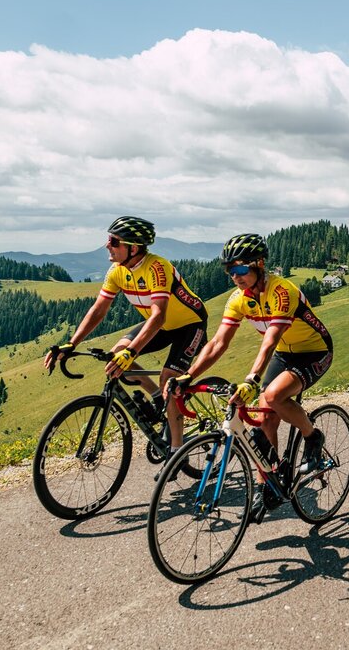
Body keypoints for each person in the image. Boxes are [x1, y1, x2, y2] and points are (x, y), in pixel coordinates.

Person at [168, 232, 333, 520]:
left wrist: (252, 379)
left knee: (270, 395)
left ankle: (312, 436)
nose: (236, 276)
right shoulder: (238, 299)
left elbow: (269, 339)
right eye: (230, 270)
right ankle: (265, 484)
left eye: (242, 269)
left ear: (259, 265)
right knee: (266, 417)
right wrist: (188, 375)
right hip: (285, 353)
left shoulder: (282, 291)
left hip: (314, 351)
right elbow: (219, 342)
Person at [43, 216, 208, 461]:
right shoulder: (117, 271)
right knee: (116, 353)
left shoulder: (157, 268)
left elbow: (159, 315)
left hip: (189, 325)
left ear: (133, 247)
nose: (107, 245)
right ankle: (156, 399)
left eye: (113, 241)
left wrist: (132, 351)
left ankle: (176, 453)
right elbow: (98, 310)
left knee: (169, 381)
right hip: (160, 325)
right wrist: (71, 343)